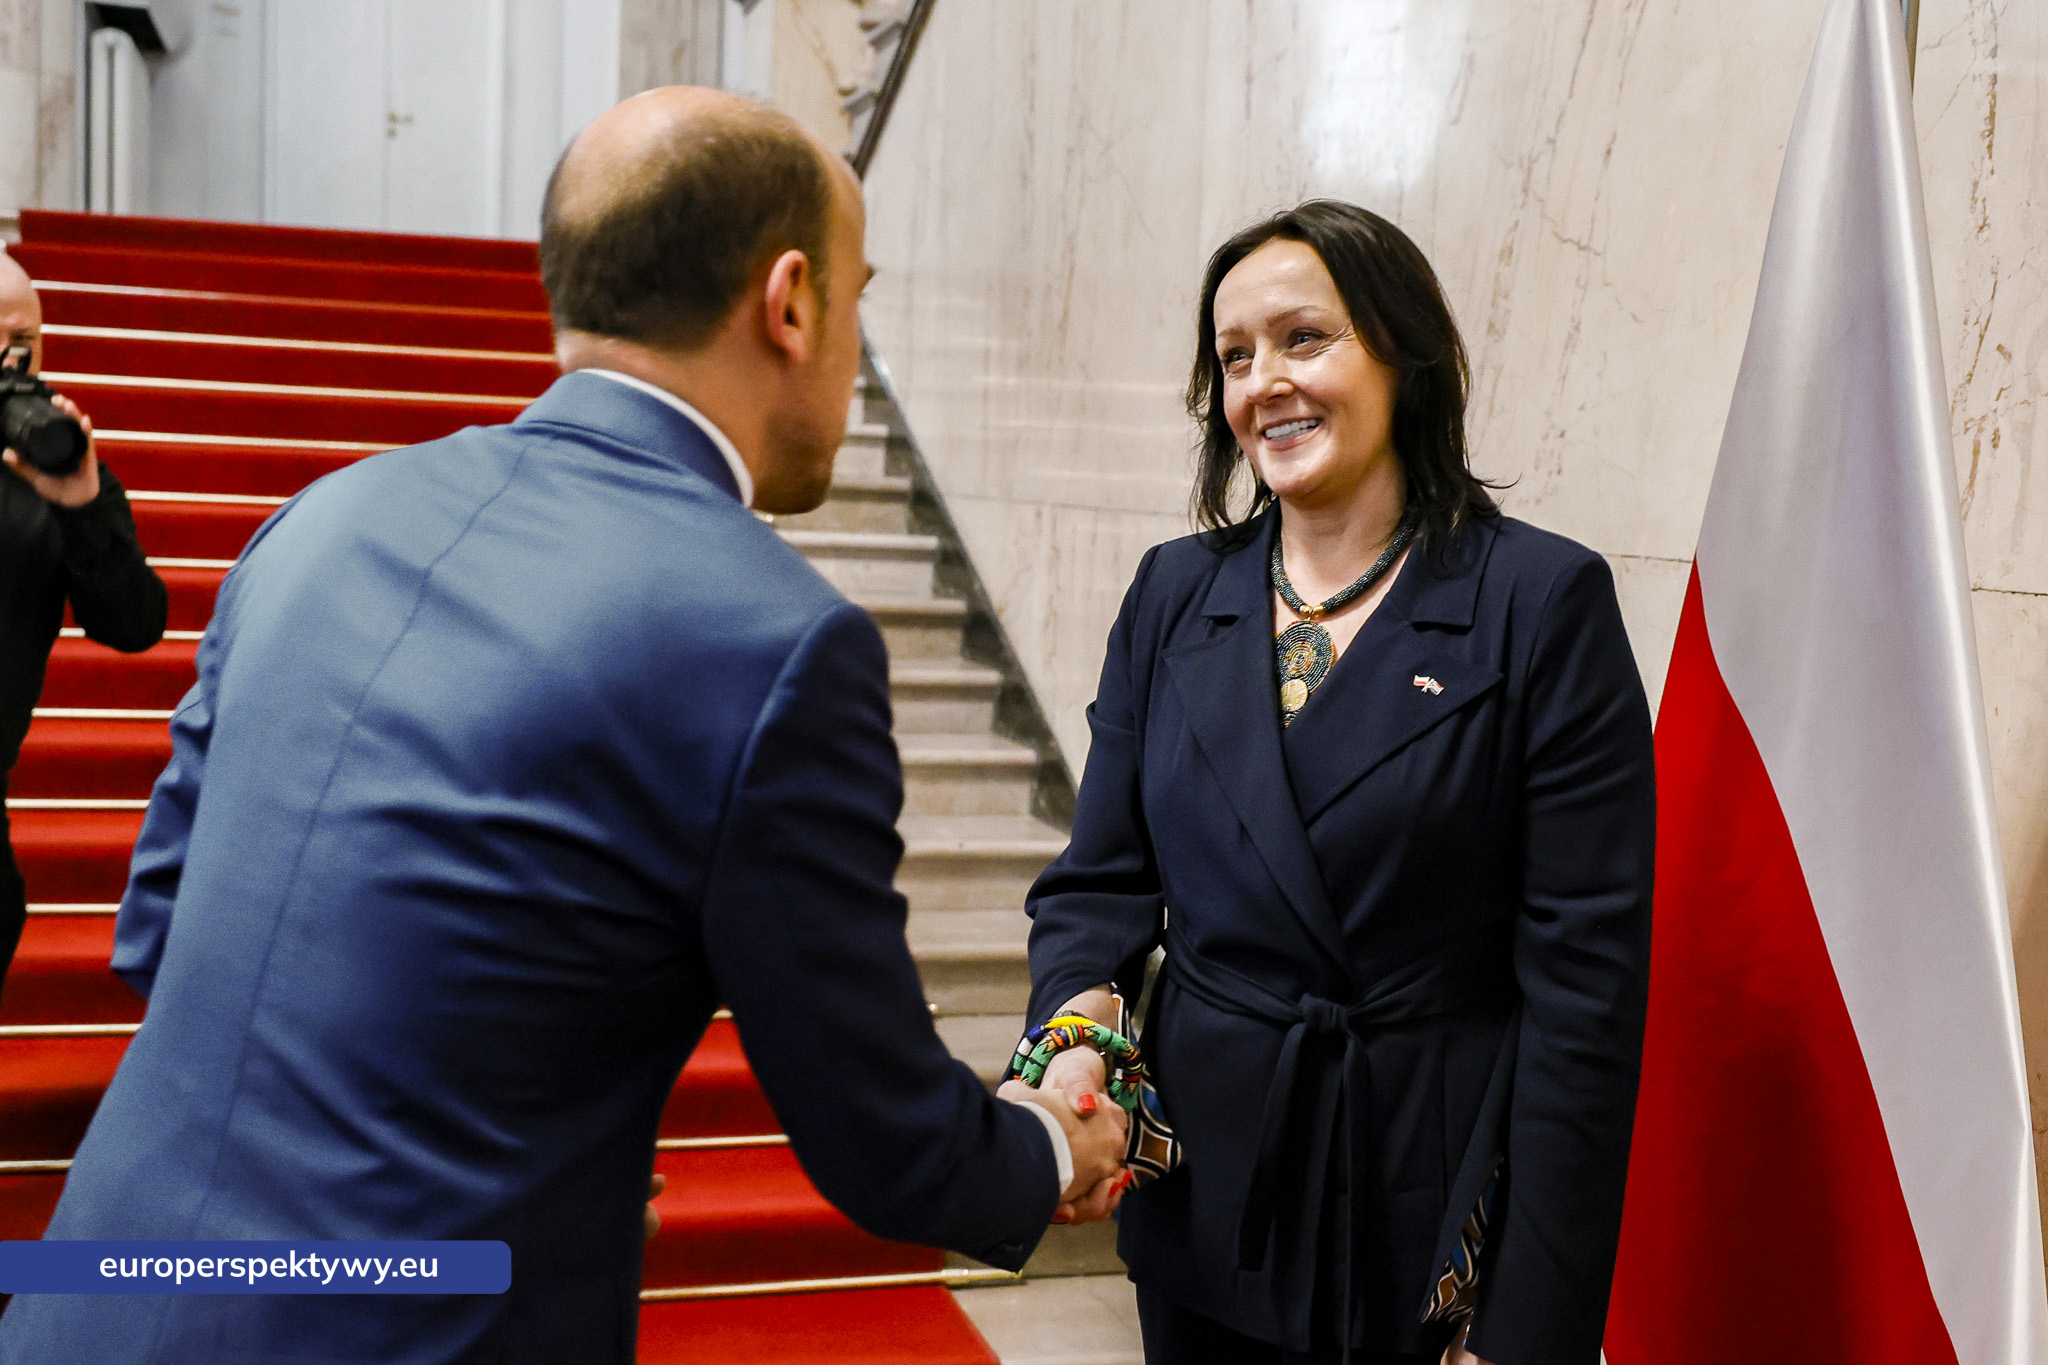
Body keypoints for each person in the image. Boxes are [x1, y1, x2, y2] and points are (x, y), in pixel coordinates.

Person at [0, 89, 1124, 1364]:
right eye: (860, 299)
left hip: (90, 1289)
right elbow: (881, 1137)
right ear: (792, 301)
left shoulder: (328, 513)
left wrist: (529, 1165)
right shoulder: (772, 638)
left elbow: (158, 925)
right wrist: (1044, 1141)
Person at [1016, 201, 1654, 1365]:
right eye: (1233, 356)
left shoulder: (1539, 604)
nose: (1265, 381)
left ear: (1405, 356)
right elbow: (1095, 891)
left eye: (1304, 338)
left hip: (1425, 1206)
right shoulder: (1170, 595)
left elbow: (1585, 1006)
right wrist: (1072, 1048)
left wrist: (1526, 1321)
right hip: (1207, 1192)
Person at [0, 250, 166, 997]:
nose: (13, 359)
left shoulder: (55, 463)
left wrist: (81, 505)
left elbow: (135, 623)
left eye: (27, 341)